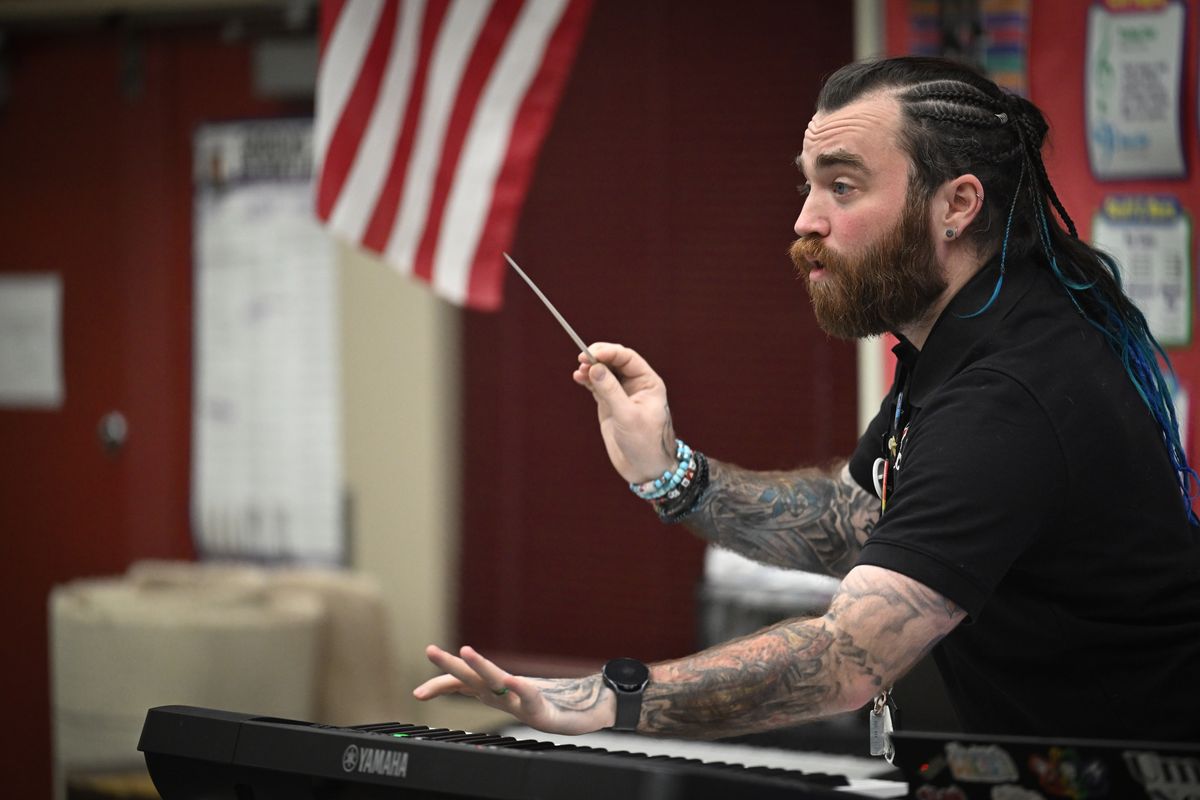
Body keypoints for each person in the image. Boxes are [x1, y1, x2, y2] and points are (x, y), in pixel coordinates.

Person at [413, 56, 1200, 742]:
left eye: (843, 186)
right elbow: (855, 525)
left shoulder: (1011, 393)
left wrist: (595, 702)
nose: (804, 221)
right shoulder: (963, 342)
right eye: (809, 185)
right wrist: (672, 473)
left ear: (957, 205)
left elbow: (844, 659)